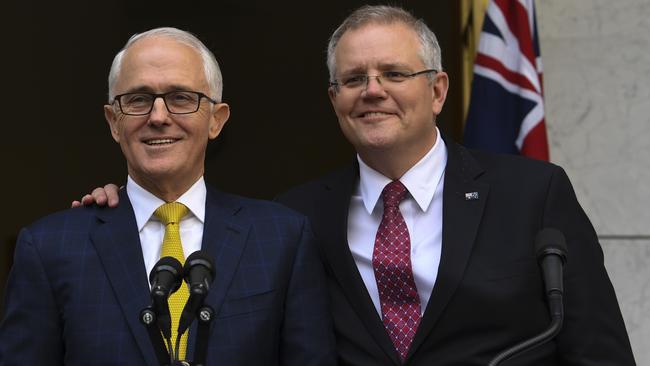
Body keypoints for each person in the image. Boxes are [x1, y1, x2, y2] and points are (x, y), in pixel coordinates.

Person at [70, 6, 636, 366]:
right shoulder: (292, 220)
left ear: (437, 90)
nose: (372, 90)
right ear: (334, 100)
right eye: (353, 79)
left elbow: (597, 350)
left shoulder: (532, 193)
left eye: (394, 74)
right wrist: (122, 208)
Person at [0, 27, 335, 366]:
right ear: (113, 122)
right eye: (137, 99)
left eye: (181, 98)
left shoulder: (282, 238)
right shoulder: (49, 248)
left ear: (217, 120)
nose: (158, 117)